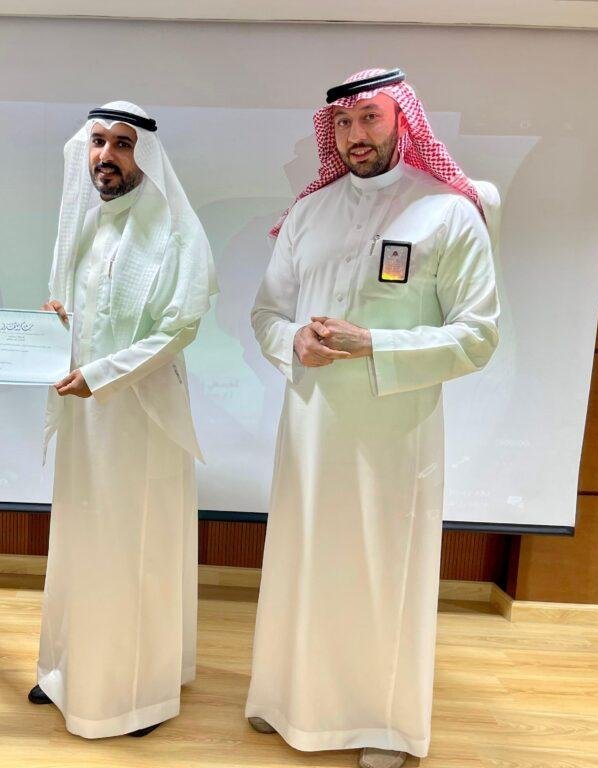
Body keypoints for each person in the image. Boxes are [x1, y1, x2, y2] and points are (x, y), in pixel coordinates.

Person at [247, 69, 500, 768]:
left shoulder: (447, 212)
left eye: (370, 118)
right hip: (310, 428)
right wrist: (292, 340)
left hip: (395, 434)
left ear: (403, 120)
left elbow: (478, 335)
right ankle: (285, 698)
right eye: (343, 123)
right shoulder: (309, 212)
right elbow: (267, 311)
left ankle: (380, 723)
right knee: (303, 558)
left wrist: (374, 344)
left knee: (381, 569)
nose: (355, 135)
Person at [30, 101, 217, 739]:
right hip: (83, 417)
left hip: (142, 419)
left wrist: (103, 375)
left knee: (133, 548)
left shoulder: (176, 231)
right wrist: (55, 324)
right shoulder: (86, 225)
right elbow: (85, 314)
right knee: (81, 540)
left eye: (123, 144)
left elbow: (178, 329)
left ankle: (136, 693)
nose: (106, 155)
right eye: (97, 142)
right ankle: (67, 670)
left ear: (146, 156)